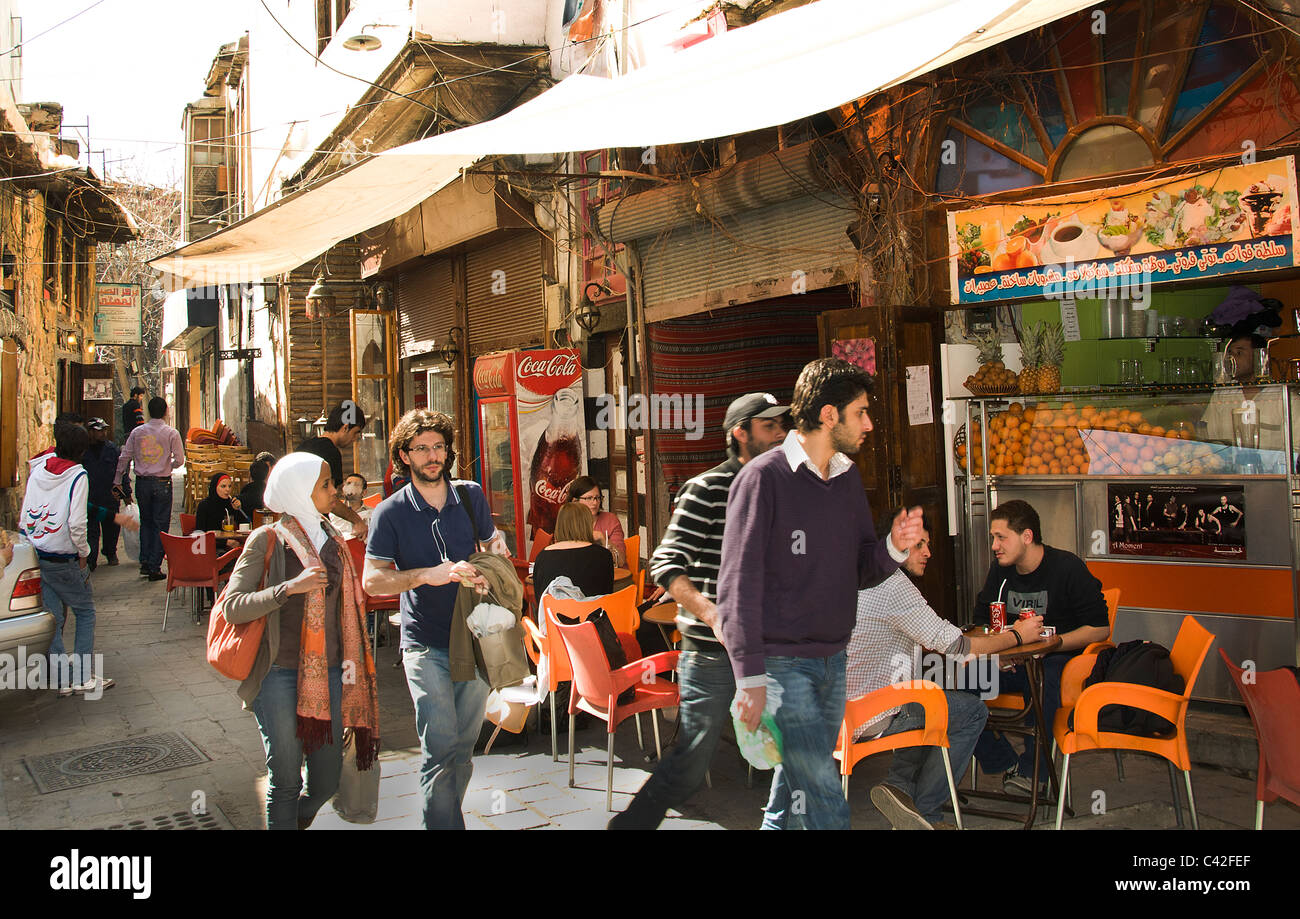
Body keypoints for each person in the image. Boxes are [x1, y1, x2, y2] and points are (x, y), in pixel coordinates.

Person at [716, 358, 924, 830]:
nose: (870, 424)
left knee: (792, 798)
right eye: (861, 413)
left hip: (835, 660)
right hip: (781, 666)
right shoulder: (761, 479)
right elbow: (735, 590)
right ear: (829, 415)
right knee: (825, 799)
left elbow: (860, 569)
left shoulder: (848, 477)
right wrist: (749, 677)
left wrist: (894, 545)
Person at [610, 391, 788, 830]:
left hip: (773, 652)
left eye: (782, 424)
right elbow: (666, 563)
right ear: (740, 434)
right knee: (691, 763)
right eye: (769, 426)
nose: (781, 433)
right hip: (712, 655)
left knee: (801, 747)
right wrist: (712, 613)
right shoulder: (707, 489)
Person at [220, 452, 379, 831]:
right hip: (278, 674)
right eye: (325, 485)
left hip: (331, 673)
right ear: (298, 492)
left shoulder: (334, 539)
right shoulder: (267, 539)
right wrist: (289, 588)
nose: (333, 490)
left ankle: (300, 819)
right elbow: (232, 607)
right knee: (286, 781)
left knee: (326, 779)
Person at [849, 517, 1041, 830]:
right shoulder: (894, 586)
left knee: (926, 696)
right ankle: (927, 812)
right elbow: (955, 644)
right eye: (917, 545)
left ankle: (900, 789)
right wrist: (1018, 637)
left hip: (833, 711)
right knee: (969, 711)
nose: (928, 553)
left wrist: (988, 653)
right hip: (874, 714)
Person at [363, 409, 495, 830]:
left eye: (438, 446)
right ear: (405, 456)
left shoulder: (471, 496)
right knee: (439, 747)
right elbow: (372, 581)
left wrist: (490, 567)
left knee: (461, 749)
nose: (433, 455)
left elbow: (493, 548)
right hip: (425, 644)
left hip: (474, 640)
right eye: (422, 448)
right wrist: (424, 576)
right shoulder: (390, 513)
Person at [970, 499, 1109, 794]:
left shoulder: (1067, 567)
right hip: (1010, 662)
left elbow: (1101, 628)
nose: (994, 546)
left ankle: (1034, 773)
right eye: (993, 538)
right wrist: (999, 651)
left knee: (1042, 680)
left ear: (1027, 536)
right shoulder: (1000, 572)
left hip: (1060, 662)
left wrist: (1052, 645)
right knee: (954, 681)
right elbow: (980, 621)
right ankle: (1004, 761)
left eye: (1001, 537)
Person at [20, 422, 114, 695]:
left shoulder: (39, 469)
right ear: (82, 450)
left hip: (38, 552)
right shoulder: (77, 476)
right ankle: (83, 677)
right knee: (85, 612)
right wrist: (84, 553)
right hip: (64, 556)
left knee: (53, 617)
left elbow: (26, 511)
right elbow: (76, 523)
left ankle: (62, 679)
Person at [115, 396, 185, 582]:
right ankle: (154, 565)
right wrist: (168, 465)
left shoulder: (137, 432)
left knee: (146, 521)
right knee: (160, 524)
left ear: (148, 412)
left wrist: (117, 480)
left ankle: (145, 560)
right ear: (165, 412)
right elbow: (180, 459)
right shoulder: (171, 433)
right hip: (162, 482)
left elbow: (124, 457)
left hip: (143, 482)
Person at [297, 400, 369, 541]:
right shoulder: (330, 451)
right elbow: (331, 500)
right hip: (312, 526)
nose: (355, 439)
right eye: (355, 433)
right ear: (345, 428)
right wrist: (357, 521)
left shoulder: (304, 445)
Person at [1202, 333, 1284, 448]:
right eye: (1230, 353)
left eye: (1239, 353)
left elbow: (1296, 446)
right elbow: (1212, 439)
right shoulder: (1222, 393)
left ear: (1258, 356)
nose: (1231, 359)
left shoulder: (1283, 396)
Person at [532, 502, 614, 598]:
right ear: (587, 525)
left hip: (553, 612)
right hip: (592, 611)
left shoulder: (543, 557)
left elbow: (540, 597)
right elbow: (607, 594)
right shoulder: (603, 555)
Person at [83, 418, 123, 570]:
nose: (103, 433)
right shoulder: (83, 451)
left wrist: (124, 494)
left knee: (112, 527)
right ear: (91, 432)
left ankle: (110, 551)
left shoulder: (112, 449)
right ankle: (91, 559)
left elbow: (121, 473)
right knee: (91, 530)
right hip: (90, 496)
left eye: (104, 430)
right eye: (99, 430)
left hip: (108, 496)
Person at [565, 475, 626, 567]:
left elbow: (620, 561)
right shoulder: (568, 522)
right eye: (589, 498)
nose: (595, 503)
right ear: (575, 501)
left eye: (597, 498)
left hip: (611, 577)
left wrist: (602, 538)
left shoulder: (610, 520)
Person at [195, 473, 251, 552]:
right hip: (211, 547)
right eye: (223, 486)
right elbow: (200, 533)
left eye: (229, 486)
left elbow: (244, 526)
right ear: (215, 487)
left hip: (231, 544)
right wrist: (225, 543)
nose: (228, 489)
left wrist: (238, 509)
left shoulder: (231, 504)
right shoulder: (205, 505)